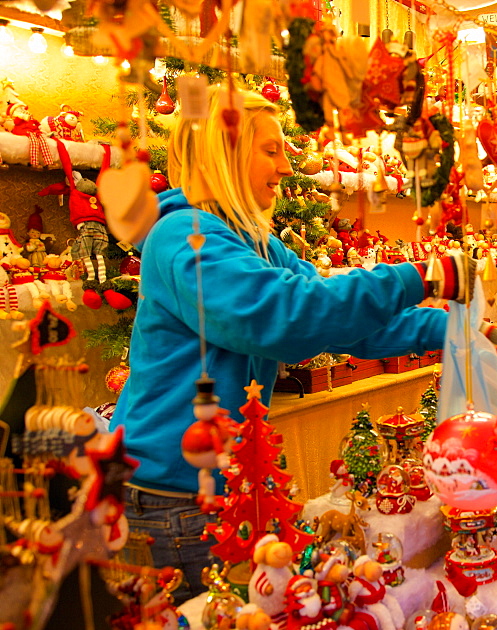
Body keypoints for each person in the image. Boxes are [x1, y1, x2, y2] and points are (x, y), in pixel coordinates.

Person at [112, 88, 471, 603]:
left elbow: (339, 322)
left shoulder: (256, 243)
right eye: (271, 150)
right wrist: (422, 276)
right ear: (227, 153)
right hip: (176, 497)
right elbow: (285, 315)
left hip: (224, 487)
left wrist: (454, 331)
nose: (286, 165)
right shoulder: (184, 237)